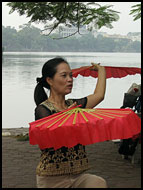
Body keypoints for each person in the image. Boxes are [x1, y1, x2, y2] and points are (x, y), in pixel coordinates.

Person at [34, 57, 107, 188]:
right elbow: (46, 144)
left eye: (71, 75)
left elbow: (99, 95)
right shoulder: (43, 109)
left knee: (98, 183)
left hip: (78, 175)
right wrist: (64, 118)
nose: (70, 79)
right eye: (64, 76)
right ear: (50, 80)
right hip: (52, 179)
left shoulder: (74, 106)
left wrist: (101, 71)